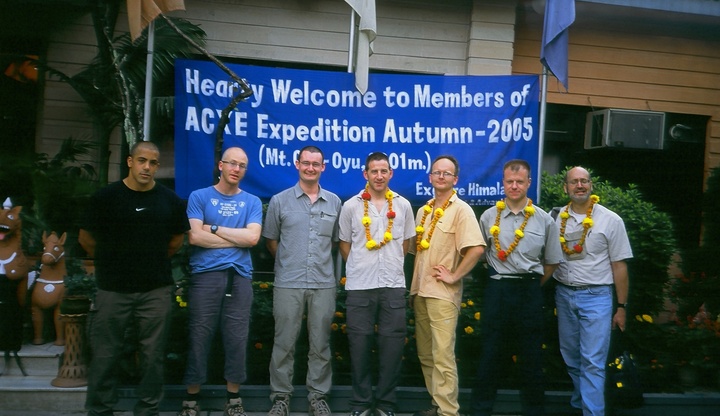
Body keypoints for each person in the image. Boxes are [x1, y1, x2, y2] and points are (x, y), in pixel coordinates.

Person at [79, 141, 190, 416]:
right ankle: (100, 409)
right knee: (105, 355)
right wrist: (111, 262)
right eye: (142, 161)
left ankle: (147, 409)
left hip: (155, 290)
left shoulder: (170, 201)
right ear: (130, 161)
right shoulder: (105, 198)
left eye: (153, 163)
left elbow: (176, 241)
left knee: (153, 357)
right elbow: (86, 239)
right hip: (112, 289)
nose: (147, 167)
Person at [472, 159, 563, 416]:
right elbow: (478, 255)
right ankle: (480, 410)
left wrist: (531, 284)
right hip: (498, 291)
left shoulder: (544, 220)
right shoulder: (489, 216)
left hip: (529, 292)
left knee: (532, 358)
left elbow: (552, 263)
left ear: (529, 183)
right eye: (509, 181)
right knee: (490, 354)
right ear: (503, 183)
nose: (514, 186)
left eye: (519, 181)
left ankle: (534, 411)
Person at [179, 147, 263, 416]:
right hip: (205, 276)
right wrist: (233, 238)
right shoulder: (199, 196)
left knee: (237, 338)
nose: (237, 169)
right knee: (199, 336)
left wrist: (213, 228)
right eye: (232, 164)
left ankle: (233, 399)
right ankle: (191, 400)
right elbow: (194, 237)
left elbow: (252, 239)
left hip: (239, 278)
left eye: (242, 165)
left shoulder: (251, 201)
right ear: (220, 165)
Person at [262, 146, 342, 416]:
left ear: (323, 167)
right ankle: (281, 398)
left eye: (315, 164)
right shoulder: (279, 201)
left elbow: (334, 243)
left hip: (323, 283)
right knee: (284, 342)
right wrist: (290, 260)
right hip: (288, 282)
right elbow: (272, 241)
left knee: (320, 343)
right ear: (297, 164)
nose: (310, 168)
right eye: (305, 163)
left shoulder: (334, 203)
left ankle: (317, 397)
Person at [338, 152, 416, 416]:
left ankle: (385, 405)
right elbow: (345, 245)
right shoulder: (351, 206)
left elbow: (406, 244)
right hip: (360, 286)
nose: (379, 176)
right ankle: (360, 405)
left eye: (384, 171)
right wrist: (362, 265)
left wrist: (389, 263)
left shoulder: (403, 206)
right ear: (366, 174)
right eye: (374, 171)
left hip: (393, 285)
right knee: (358, 347)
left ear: (391, 173)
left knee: (392, 349)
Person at [552, 166, 632, 416]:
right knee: (571, 358)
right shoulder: (555, 218)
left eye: (584, 181)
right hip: (564, 295)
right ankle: (580, 403)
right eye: (574, 181)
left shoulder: (611, 220)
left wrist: (621, 307)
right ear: (566, 187)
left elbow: (619, 266)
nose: (579, 185)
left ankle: (592, 412)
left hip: (597, 297)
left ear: (591, 186)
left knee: (593, 362)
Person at [410, 155, 486, 416]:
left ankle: (448, 412)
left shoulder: (461, 210)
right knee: (426, 355)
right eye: (436, 172)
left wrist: (455, 276)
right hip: (419, 290)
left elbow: (476, 248)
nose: (441, 177)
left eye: (447, 173)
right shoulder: (423, 211)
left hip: (442, 294)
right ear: (430, 177)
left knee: (442, 355)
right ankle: (437, 404)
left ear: (455, 179)